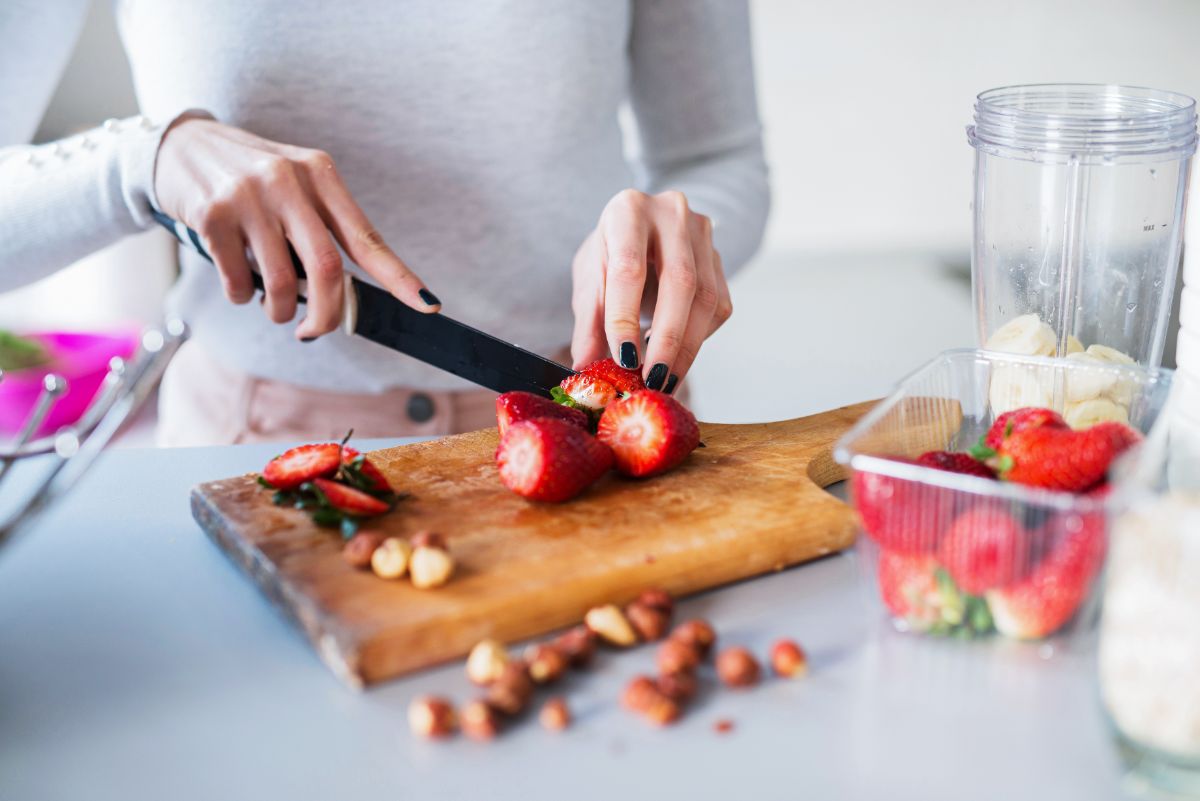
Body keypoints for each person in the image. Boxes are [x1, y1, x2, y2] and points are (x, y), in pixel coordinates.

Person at [0, 1, 769, 445]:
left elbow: (721, 154)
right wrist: (141, 162)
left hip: (598, 438)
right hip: (249, 456)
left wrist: (678, 245)